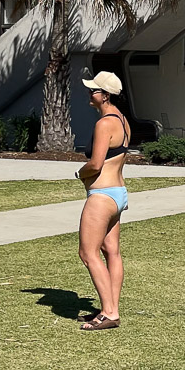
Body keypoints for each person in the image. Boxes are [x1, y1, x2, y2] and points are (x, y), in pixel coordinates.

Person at [77, 71, 130, 331]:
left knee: (87, 253)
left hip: (102, 195)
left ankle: (109, 313)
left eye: (94, 90)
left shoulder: (104, 123)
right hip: (118, 194)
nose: (90, 93)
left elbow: (96, 164)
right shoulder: (123, 120)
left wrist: (80, 173)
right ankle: (111, 308)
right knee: (111, 252)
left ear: (105, 95)